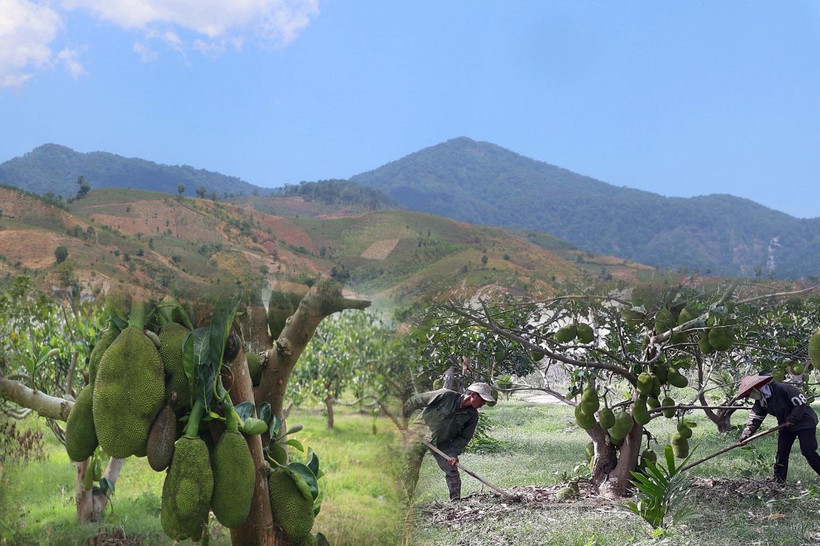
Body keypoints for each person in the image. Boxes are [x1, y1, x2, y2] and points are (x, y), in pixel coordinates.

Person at [401, 382, 495, 501]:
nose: (483, 403)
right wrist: (403, 424)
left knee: (452, 471)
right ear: (473, 395)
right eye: (482, 400)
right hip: (418, 434)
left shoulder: (472, 416)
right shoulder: (445, 395)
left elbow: (464, 437)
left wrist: (453, 454)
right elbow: (414, 401)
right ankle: (403, 500)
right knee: (410, 468)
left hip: (442, 442)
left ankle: (456, 502)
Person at [736, 374, 820, 483]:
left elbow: (801, 403)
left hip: (805, 422)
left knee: (808, 451)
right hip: (785, 425)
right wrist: (744, 436)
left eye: (750, 393)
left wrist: (792, 419)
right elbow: (755, 420)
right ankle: (778, 482)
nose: (749, 396)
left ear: (756, 389)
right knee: (782, 453)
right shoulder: (761, 401)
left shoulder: (783, 388)